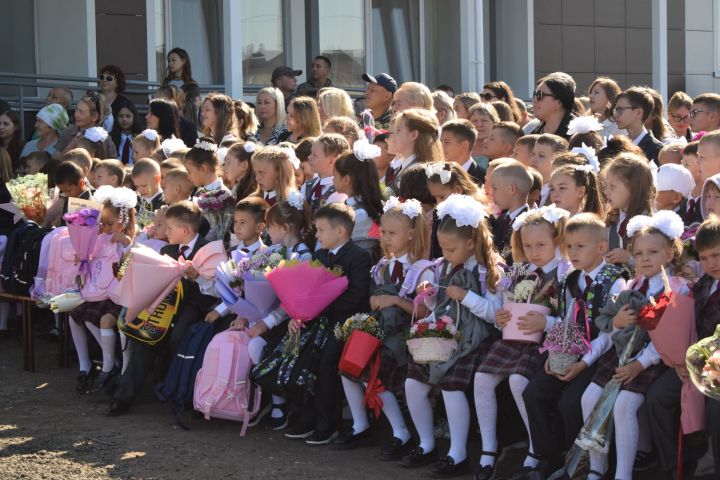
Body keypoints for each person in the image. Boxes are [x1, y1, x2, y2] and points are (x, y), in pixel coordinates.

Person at [582, 211, 688, 480]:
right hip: (620, 354)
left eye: (653, 252)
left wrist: (640, 364)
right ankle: (597, 466)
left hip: (650, 360)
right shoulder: (633, 284)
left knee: (625, 405)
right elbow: (609, 323)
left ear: (670, 253)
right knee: (589, 398)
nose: (645, 259)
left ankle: (623, 474)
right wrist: (617, 322)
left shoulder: (677, 288)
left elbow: (669, 335)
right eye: (638, 254)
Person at [521, 213, 627, 479]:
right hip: (569, 350)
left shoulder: (615, 281)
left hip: (600, 355)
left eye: (580, 246)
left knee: (572, 402)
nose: (573, 252)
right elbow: (566, 319)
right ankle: (549, 456)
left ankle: (577, 462)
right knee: (533, 392)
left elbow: (611, 333)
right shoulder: (570, 279)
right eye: (569, 246)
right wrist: (554, 349)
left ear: (601, 247)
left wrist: (584, 363)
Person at [403, 194, 500, 477]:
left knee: (451, 386)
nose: (445, 254)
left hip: (472, 340)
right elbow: (439, 306)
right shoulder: (443, 266)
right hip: (443, 335)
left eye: (452, 248)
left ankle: (457, 452)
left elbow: (495, 314)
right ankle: (426, 442)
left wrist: (467, 296)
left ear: (471, 242)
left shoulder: (487, 271)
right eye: (442, 247)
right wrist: (429, 295)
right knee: (413, 383)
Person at [474, 207, 571, 480]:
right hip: (515, 338)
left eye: (541, 244)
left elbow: (570, 317)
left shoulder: (565, 274)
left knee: (519, 381)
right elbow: (505, 309)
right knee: (482, 378)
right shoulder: (519, 271)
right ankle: (488, 448)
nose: (534, 251)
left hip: (544, 342)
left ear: (557, 240)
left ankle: (534, 446)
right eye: (527, 245)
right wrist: (501, 317)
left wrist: (547, 324)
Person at [333, 197, 433, 456]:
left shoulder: (424, 270)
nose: (385, 238)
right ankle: (360, 425)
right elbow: (373, 299)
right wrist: (375, 300)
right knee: (348, 365)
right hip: (378, 329)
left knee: (373, 370)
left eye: (392, 233)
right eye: (383, 233)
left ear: (411, 234)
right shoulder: (382, 266)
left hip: (404, 335)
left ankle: (401, 432)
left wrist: (396, 301)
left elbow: (424, 311)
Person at [271, 203, 372, 445]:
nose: (316, 235)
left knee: (326, 363)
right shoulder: (319, 256)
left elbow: (357, 296)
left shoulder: (359, 257)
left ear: (340, 232)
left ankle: (329, 423)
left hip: (345, 323)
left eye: (321, 230)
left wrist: (318, 308)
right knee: (297, 355)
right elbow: (306, 291)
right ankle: (305, 416)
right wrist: (298, 315)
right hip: (317, 320)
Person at [108, 200, 217, 415]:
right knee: (144, 335)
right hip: (165, 303)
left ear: (184, 230)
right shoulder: (168, 249)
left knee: (178, 336)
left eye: (169, 228)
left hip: (195, 306)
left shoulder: (208, 250)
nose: (164, 232)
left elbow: (212, 291)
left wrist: (195, 278)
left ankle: (179, 391)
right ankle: (123, 397)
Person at [644, 217, 720, 476]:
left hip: (713, 367)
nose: (712, 264)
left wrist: (699, 363)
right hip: (692, 364)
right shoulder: (703, 285)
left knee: (715, 411)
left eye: (717, 256)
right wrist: (680, 361)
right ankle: (674, 467)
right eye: (705, 258)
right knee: (657, 397)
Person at [68, 187, 136, 394]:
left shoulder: (130, 241)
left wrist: (126, 245)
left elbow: (126, 267)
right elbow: (93, 259)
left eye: (109, 223)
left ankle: (110, 366)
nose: (105, 227)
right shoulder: (100, 238)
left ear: (123, 221)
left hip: (117, 295)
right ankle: (86, 365)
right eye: (102, 223)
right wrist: (83, 257)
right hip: (97, 289)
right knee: (76, 315)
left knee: (96, 318)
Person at [603, 153, 656, 265]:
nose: (606, 192)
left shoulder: (650, 225)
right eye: (606, 186)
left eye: (612, 186)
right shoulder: (612, 221)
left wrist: (629, 258)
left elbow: (658, 264)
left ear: (633, 188)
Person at [333, 142, 384, 254]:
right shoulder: (377, 204)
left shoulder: (357, 213)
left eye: (334, 176)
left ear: (346, 179)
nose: (332, 180)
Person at [385, 108, 443, 197]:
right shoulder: (404, 166)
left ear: (413, 135)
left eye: (398, 130)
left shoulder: (419, 173)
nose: (393, 136)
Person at [488, 160, 532, 263]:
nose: (491, 193)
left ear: (512, 189)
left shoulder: (529, 224)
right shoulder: (500, 219)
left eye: (495, 188)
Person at [55, 92, 118, 159]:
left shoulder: (105, 139)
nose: (76, 114)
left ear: (94, 117)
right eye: (76, 109)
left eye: (81, 112)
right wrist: (72, 144)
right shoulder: (67, 132)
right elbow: (56, 162)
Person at [303, 133, 349, 213]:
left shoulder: (340, 193)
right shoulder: (308, 185)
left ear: (331, 161)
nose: (309, 157)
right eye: (311, 153)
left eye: (315, 155)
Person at [161, 47, 201, 127]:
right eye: (169, 61)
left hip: (184, 124)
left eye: (173, 60)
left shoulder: (191, 85)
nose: (170, 63)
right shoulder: (166, 82)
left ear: (183, 61)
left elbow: (195, 106)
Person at [530, 72, 576, 140]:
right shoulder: (534, 135)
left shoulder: (577, 134)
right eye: (535, 94)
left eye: (540, 95)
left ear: (558, 102)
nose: (534, 100)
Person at [440, 119, 485, 184]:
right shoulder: (435, 174)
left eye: (447, 142)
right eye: (441, 142)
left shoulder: (483, 178)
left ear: (465, 145)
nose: (441, 147)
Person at [531, 134, 569, 206]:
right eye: (533, 154)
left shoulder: (558, 195)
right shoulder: (527, 185)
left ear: (558, 160)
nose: (533, 159)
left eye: (541, 156)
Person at [98, 64, 134, 132]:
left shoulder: (124, 102)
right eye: (102, 77)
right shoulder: (94, 99)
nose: (104, 80)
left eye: (109, 78)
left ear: (117, 82)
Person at [132, 158, 164, 228]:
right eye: (137, 186)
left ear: (157, 179)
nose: (140, 190)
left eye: (144, 186)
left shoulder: (164, 202)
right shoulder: (137, 200)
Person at [110, 100, 142, 165]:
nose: (124, 119)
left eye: (128, 116)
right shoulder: (110, 138)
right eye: (120, 116)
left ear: (134, 117)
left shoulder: (141, 139)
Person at [681, 141, 704, 225]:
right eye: (681, 163)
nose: (682, 169)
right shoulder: (681, 197)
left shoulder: (708, 201)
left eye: (686, 164)